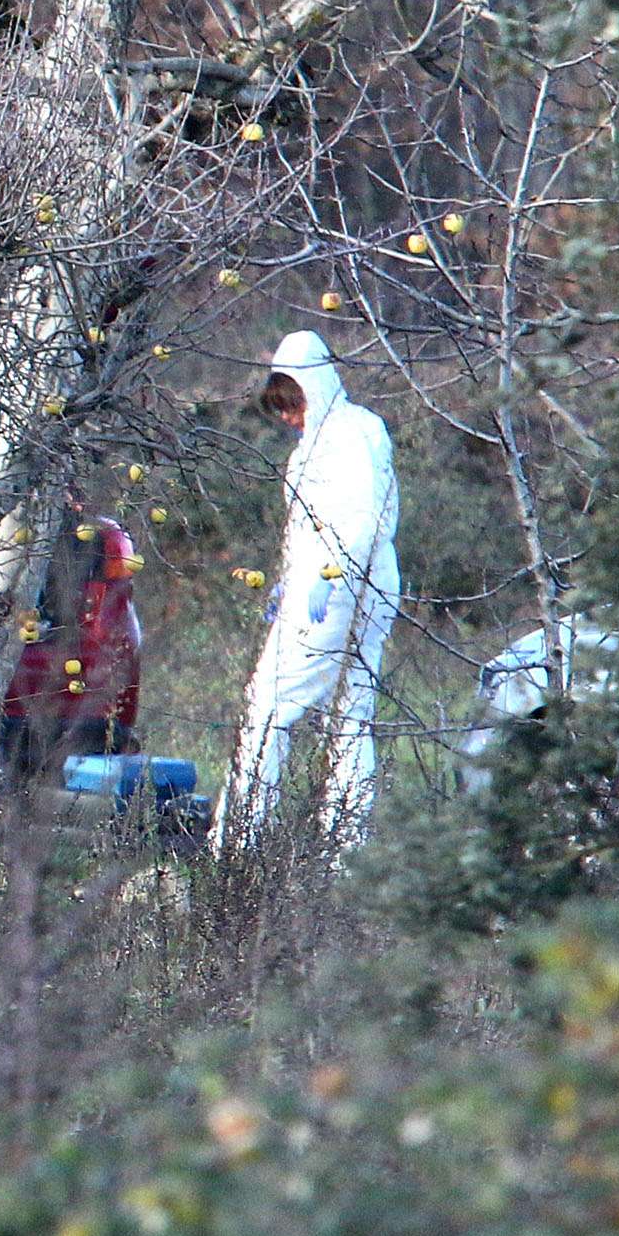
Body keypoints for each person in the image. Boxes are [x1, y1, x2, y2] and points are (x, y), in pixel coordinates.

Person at [212, 331, 400, 851]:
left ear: (312, 387)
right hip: (359, 580)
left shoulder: (350, 434)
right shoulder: (329, 441)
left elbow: (362, 515)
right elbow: (306, 527)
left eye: (291, 402)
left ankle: (238, 844)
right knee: (350, 713)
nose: (288, 417)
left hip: (339, 586)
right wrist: (286, 579)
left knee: (268, 705)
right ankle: (346, 855)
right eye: (281, 408)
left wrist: (328, 574)